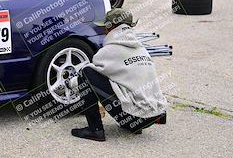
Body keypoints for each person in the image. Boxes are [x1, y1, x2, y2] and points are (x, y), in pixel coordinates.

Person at [71, 9, 168, 141]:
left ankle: (95, 130)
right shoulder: (142, 50)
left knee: (86, 72)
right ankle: (135, 127)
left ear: (111, 26)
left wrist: (71, 83)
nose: (104, 30)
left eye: (105, 26)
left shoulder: (109, 51)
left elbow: (90, 79)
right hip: (154, 116)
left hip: (134, 117)